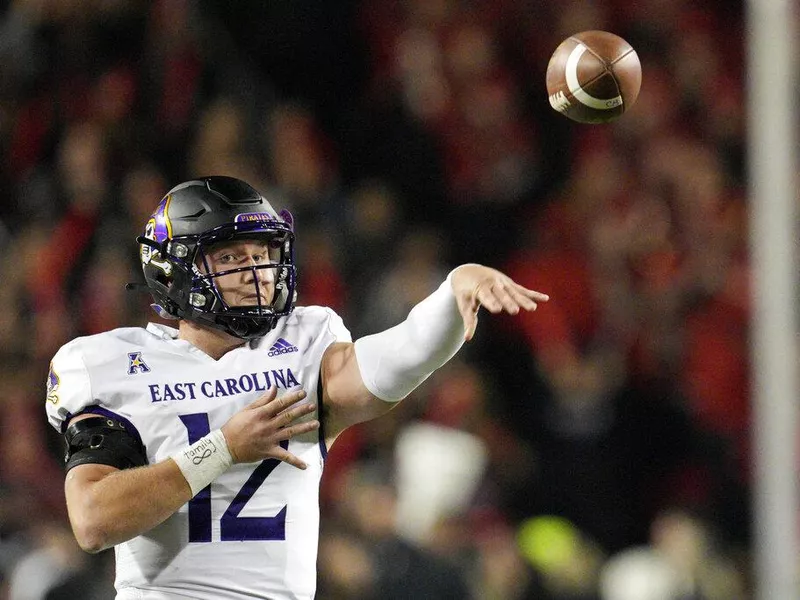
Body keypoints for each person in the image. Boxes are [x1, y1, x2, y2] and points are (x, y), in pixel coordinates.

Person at [44, 175, 549, 599]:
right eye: (231, 258)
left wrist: (452, 291)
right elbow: (92, 520)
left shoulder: (302, 344)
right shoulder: (113, 364)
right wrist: (222, 450)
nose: (257, 272)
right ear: (174, 269)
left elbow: (389, 362)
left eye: (262, 252)